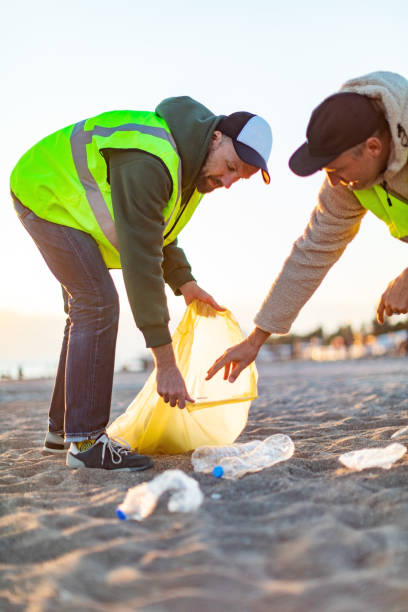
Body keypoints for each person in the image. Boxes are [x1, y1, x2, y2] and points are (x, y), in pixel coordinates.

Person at [10, 98, 272, 470]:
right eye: (230, 167)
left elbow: (158, 234)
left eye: (238, 178)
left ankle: (63, 430)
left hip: (57, 199)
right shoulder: (152, 160)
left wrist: (185, 283)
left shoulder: (193, 172)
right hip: (45, 193)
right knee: (97, 303)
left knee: (86, 306)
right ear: (215, 138)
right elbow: (141, 258)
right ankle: (84, 442)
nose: (228, 183)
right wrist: (165, 362)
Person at [206, 70, 408, 383]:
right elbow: (312, 253)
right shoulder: (346, 183)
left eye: (338, 169)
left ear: (372, 147)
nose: (334, 181)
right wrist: (256, 339)